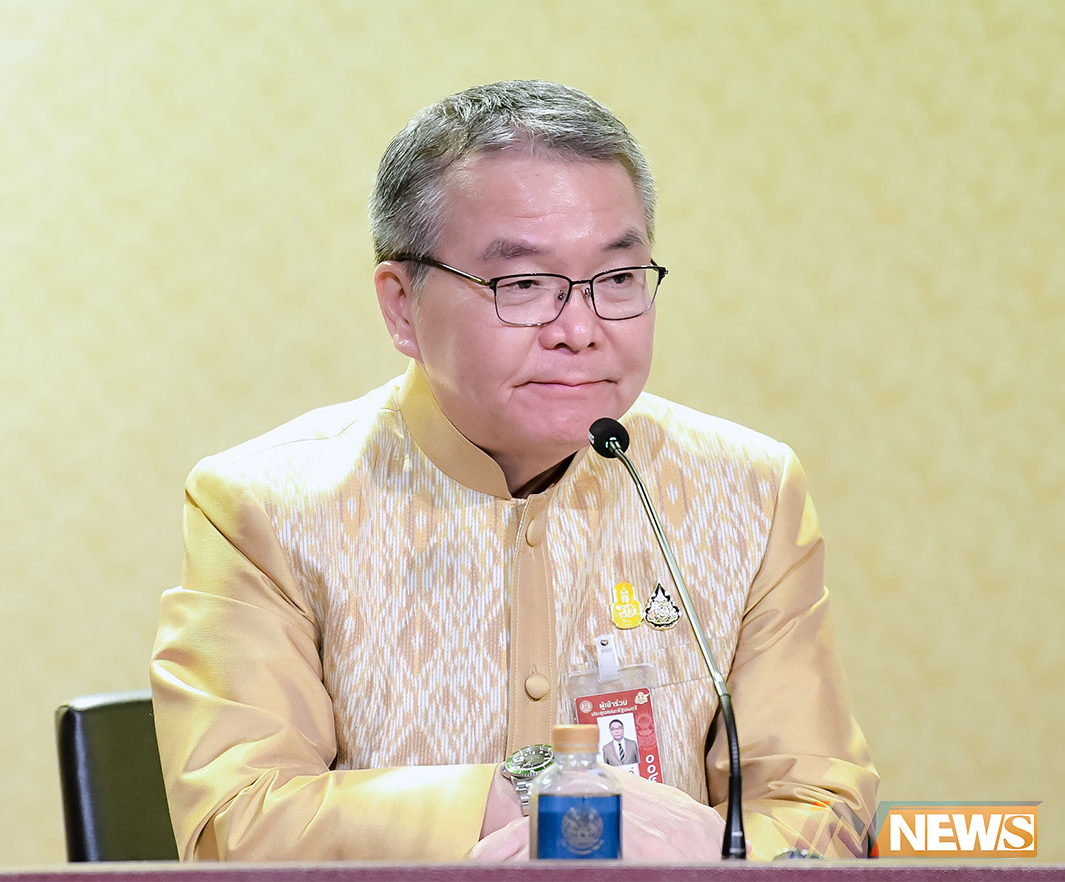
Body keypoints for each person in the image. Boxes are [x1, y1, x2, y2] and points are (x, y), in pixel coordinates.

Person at [150, 79, 878, 863]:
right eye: (524, 284)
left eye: (618, 279)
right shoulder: (267, 505)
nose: (580, 329)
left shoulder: (748, 491)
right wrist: (526, 801)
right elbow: (237, 827)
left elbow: (819, 806)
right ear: (401, 306)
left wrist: (714, 850)